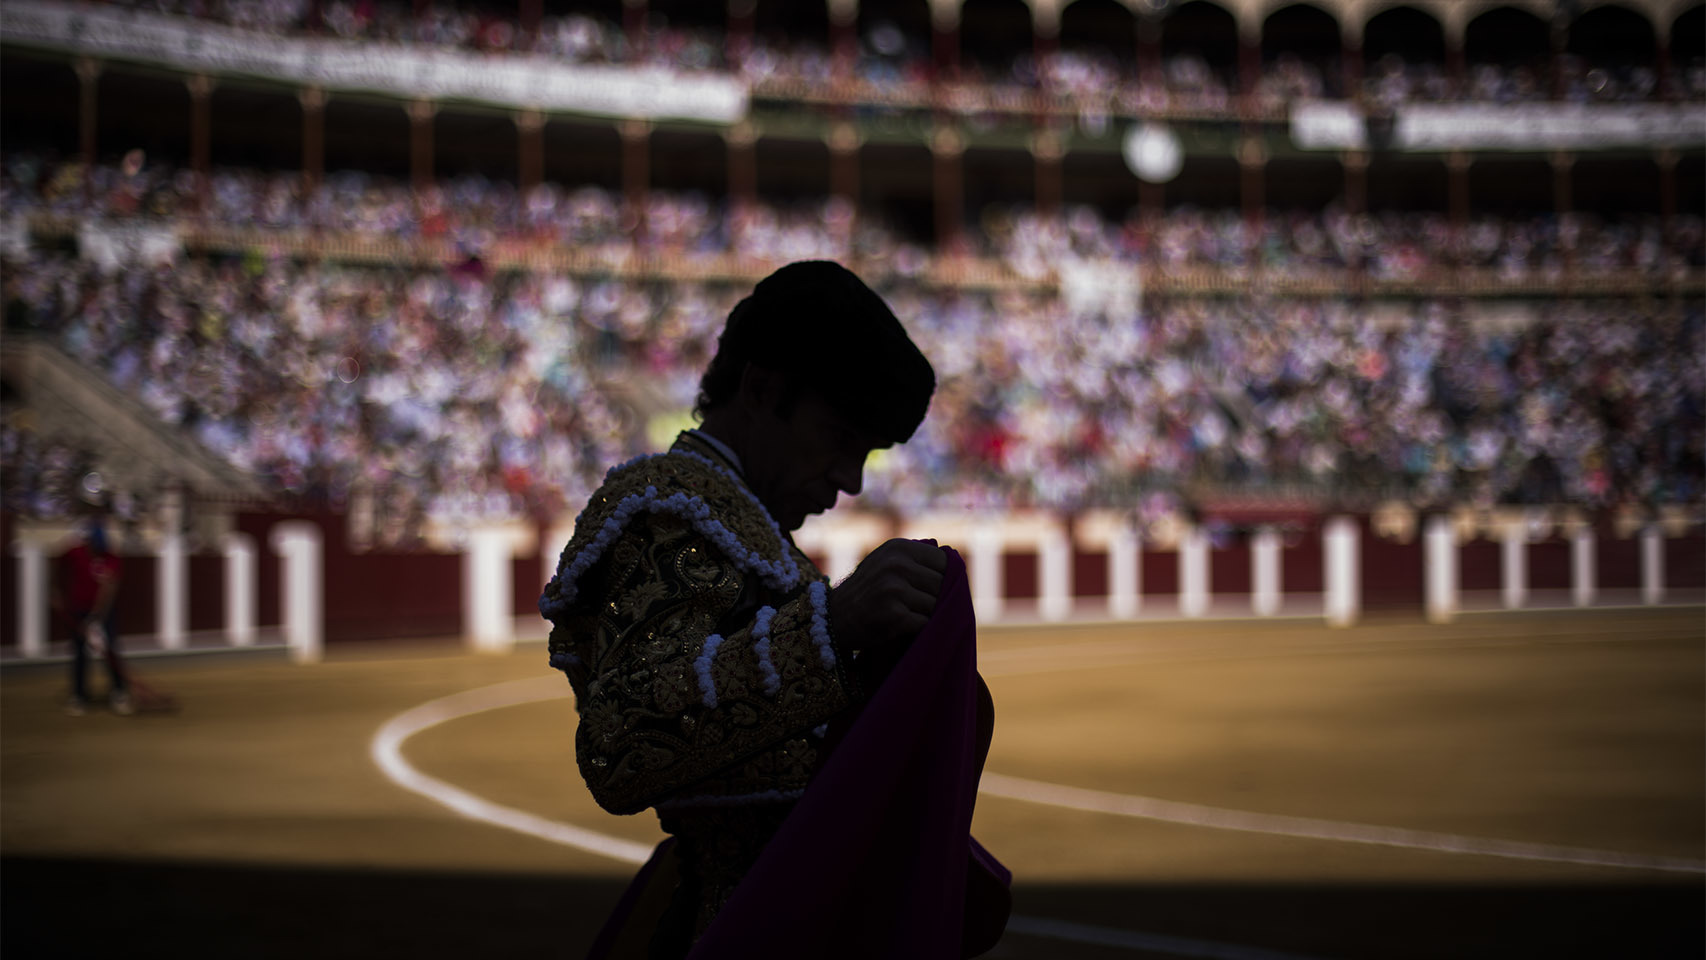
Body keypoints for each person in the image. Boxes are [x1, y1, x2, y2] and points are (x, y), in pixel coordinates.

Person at [540, 261, 1008, 959]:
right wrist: (832, 629)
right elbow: (620, 744)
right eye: (840, 438)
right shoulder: (662, 506)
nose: (850, 480)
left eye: (867, 453)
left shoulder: (754, 538)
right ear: (761, 389)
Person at [56, 519, 130, 716]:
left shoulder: (111, 558)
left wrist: (96, 617)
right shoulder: (75, 553)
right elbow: (57, 563)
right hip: (78, 610)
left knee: (110, 650)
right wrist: (54, 592)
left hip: (103, 613)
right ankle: (79, 695)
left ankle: (119, 692)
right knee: (80, 653)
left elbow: (109, 590)